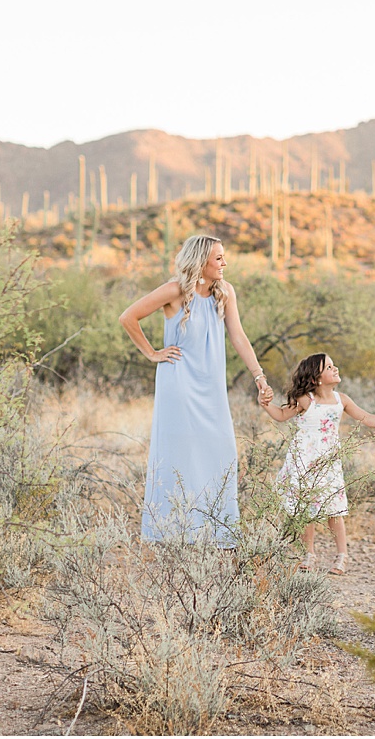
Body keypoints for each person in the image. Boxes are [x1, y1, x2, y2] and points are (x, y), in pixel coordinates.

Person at [118, 234, 272, 546]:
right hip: (179, 385)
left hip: (211, 387)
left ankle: (215, 531)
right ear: (201, 260)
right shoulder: (175, 290)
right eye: (219, 258)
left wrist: (259, 376)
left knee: (221, 452)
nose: (224, 263)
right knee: (179, 456)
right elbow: (128, 317)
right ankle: (172, 532)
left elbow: (238, 335)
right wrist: (152, 353)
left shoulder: (225, 292)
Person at [258, 352, 375, 575]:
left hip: (328, 463)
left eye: (334, 365)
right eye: (329, 367)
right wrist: (265, 404)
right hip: (304, 461)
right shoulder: (306, 400)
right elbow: (279, 415)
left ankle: (341, 556)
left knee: (334, 509)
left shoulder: (341, 400)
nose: (335, 369)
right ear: (316, 378)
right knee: (306, 509)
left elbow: (367, 418)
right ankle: (309, 553)